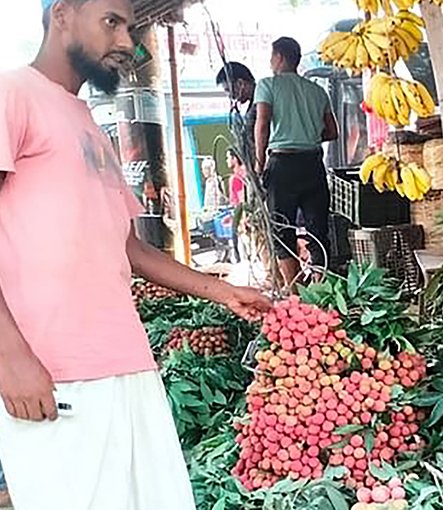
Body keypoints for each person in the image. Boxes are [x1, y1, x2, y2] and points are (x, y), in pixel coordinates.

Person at [0, 1, 272, 509]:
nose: (126, 41)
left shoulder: (84, 120)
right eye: (111, 22)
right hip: (56, 375)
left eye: (127, 26)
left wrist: (222, 290)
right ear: (62, 15)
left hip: (126, 364)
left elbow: (127, 245)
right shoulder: (12, 95)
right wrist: (9, 357)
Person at [254, 36, 338, 286]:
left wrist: (259, 163)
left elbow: (262, 125)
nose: (270, 62)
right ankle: (321, 288)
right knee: (318, 229)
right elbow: (332, 132)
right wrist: (308, 134)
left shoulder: (267, 85)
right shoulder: (317, 90)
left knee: (282, 228)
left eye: (272, 56)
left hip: (283, 164)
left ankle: (294, 291)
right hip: (313, 164)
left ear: (279, 57)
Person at [216, 62, 257, 170]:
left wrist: (259, 165)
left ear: (240, 83)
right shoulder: (252, 105)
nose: (230, 96)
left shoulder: (261, 102)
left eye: (228, 90)